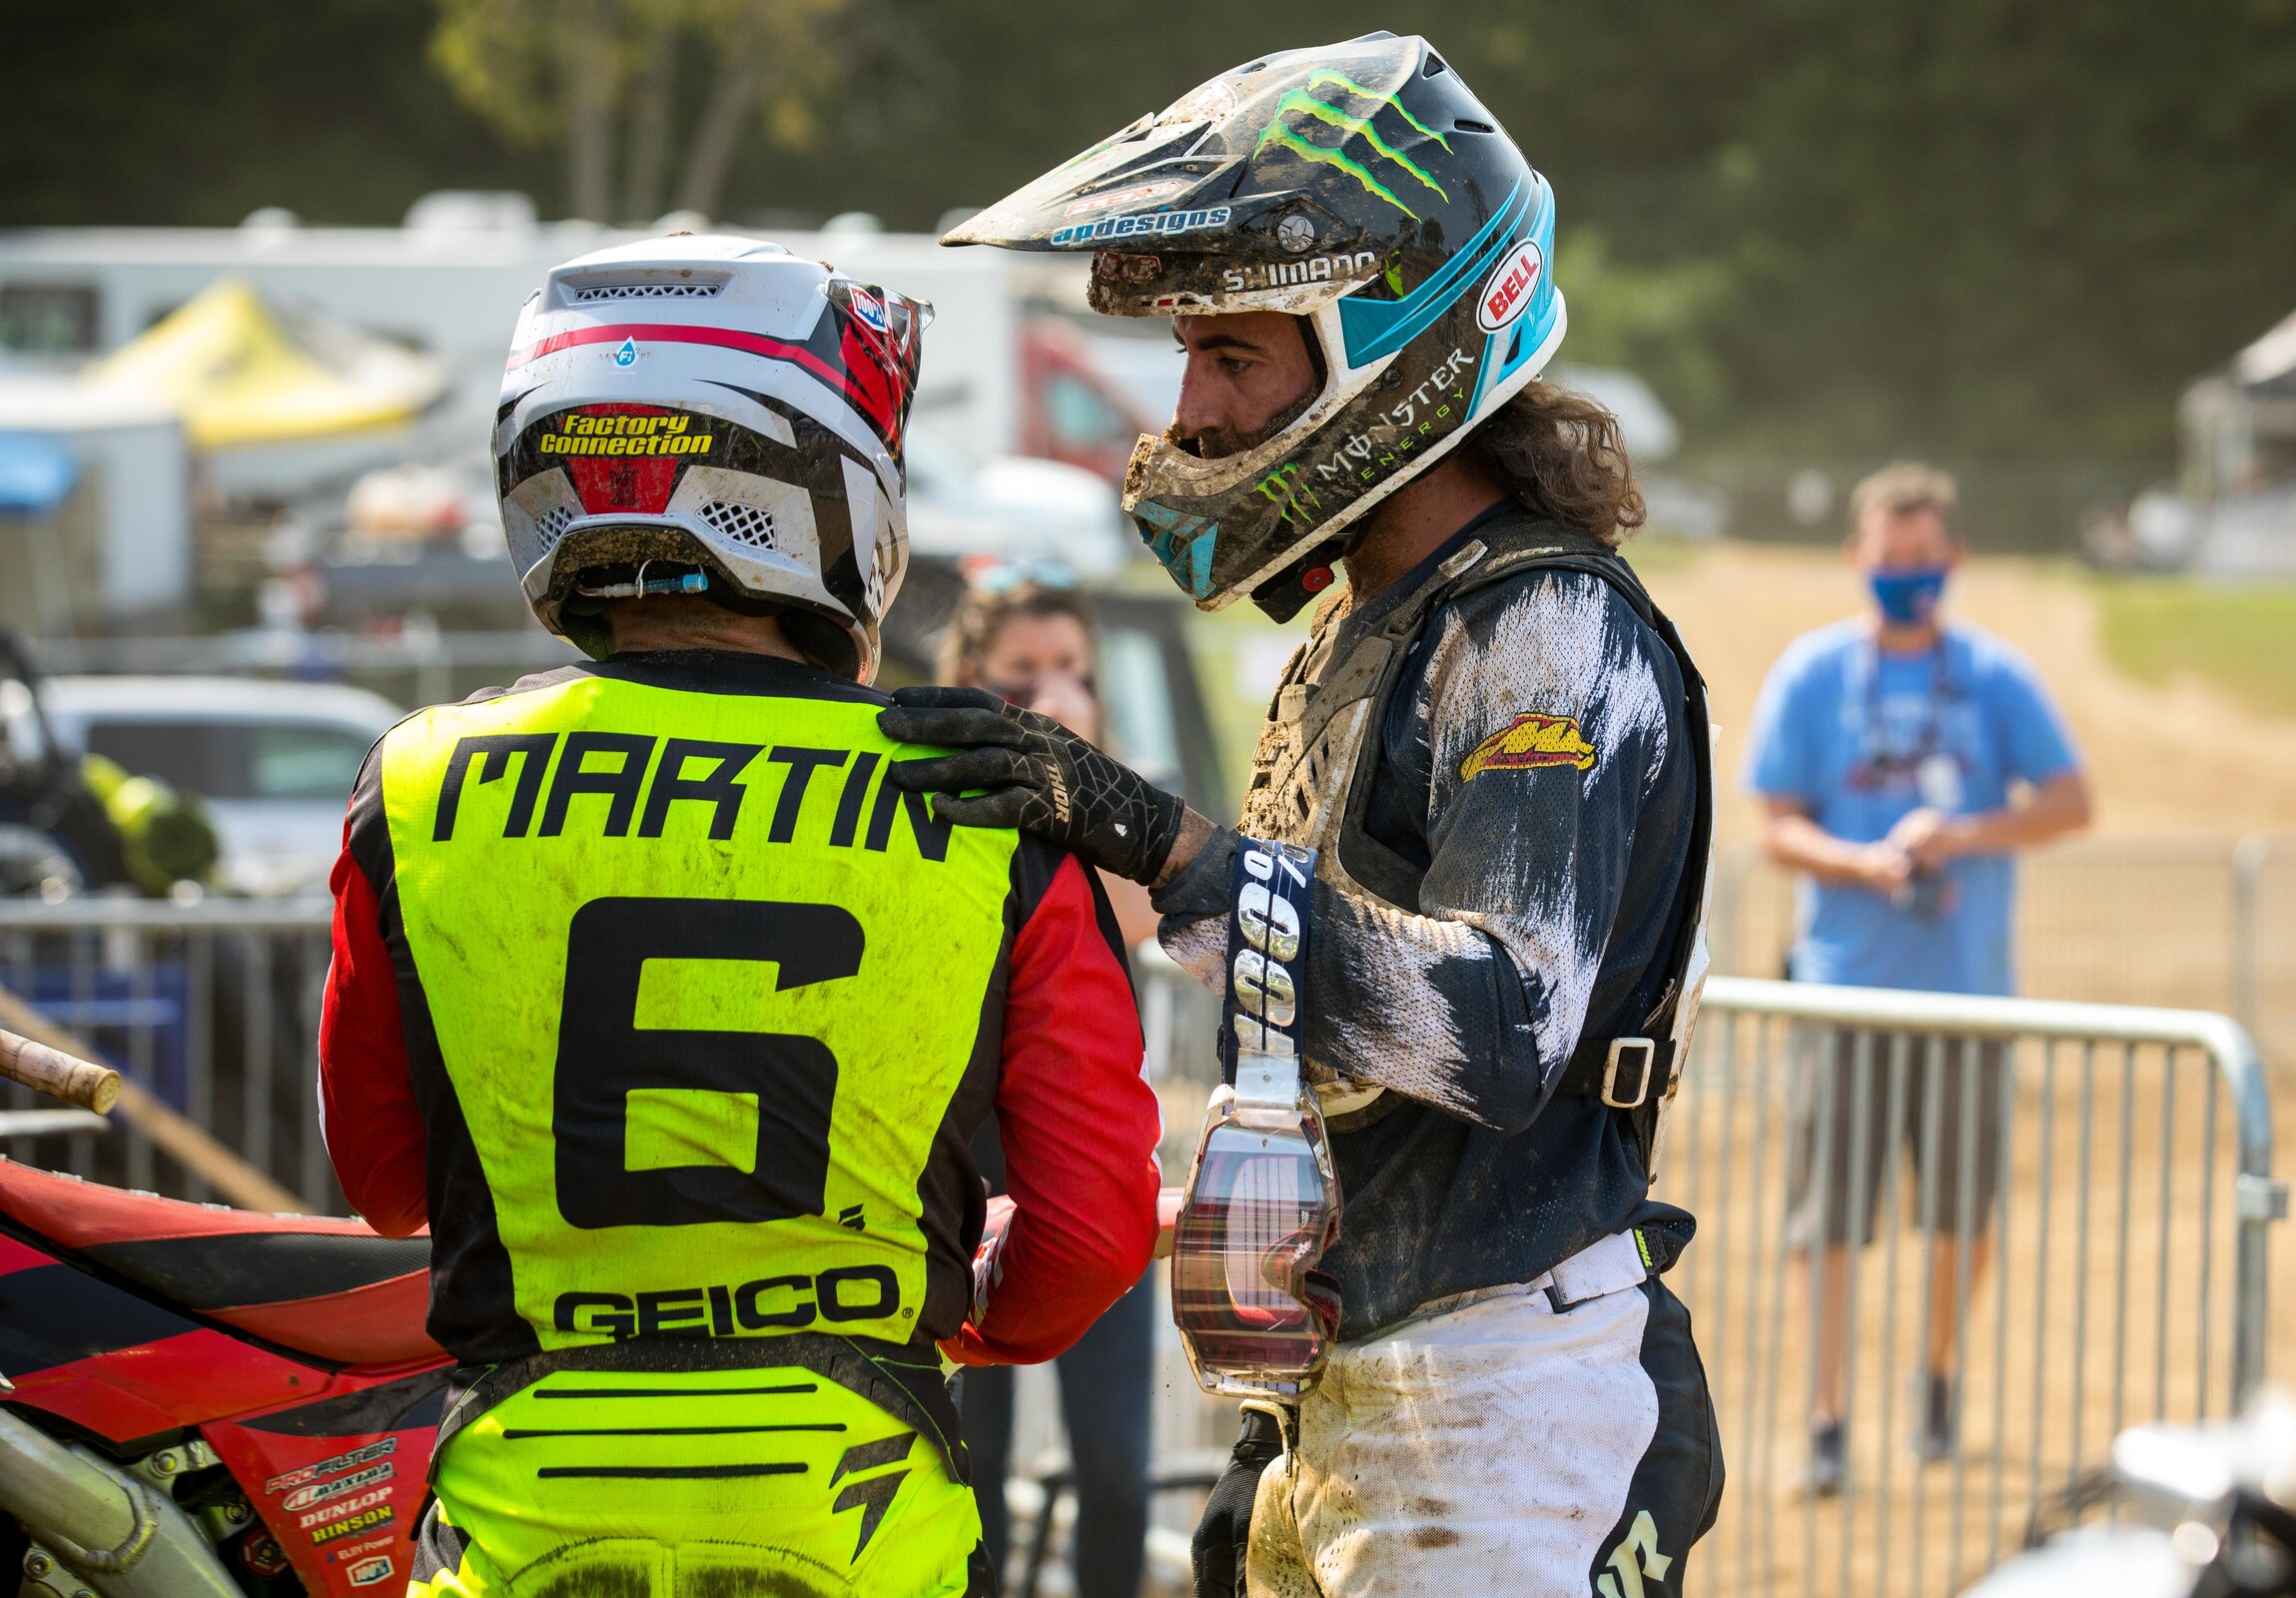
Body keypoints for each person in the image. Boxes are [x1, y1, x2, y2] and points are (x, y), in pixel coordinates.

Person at [881, 34, 1723, 1598]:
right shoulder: (1364, 626)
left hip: (1498, 1394)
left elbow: (1498, 1031)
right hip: (1348, 1376)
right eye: (1191, 356)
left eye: (1235, 358)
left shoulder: (1538, 632)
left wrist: (1169, 847)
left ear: (1387, 350)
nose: (1187, 408)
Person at [315, 234, 1160, 1598]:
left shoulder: (413, 789)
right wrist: (931, 1324)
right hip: (855, 1505)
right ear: (838, 491)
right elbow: (1087, 1238)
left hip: (522, 1511)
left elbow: (387, 1180)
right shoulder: (986, 801)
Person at [1743, 462, 2092, 1492]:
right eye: (1889, 561)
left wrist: (1965, 833)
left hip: (1967, 995)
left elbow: (2071, 801)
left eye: (1923, 561)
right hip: (1843, 991)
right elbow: (1774, 824)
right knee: (1828, 1218)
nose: (1906, 576)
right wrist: (1866, 861)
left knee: (1958, 1211)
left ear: (1954, 561)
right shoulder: (1811, 676)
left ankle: (1936, 1382)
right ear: (1859, 560)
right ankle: (1826, 1415)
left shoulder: (1997, 676)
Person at [941, 575, 1156, 1598]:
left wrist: (1081, 784)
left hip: (1089, 1177)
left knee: (1115, 1454)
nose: (1052, 692)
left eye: (1071, 669)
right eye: (1023, 674)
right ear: (969, 681)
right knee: (964, 1456)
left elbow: (1142, 915)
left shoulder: (1125, 805)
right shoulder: (935, 803)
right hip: (958, 1182)